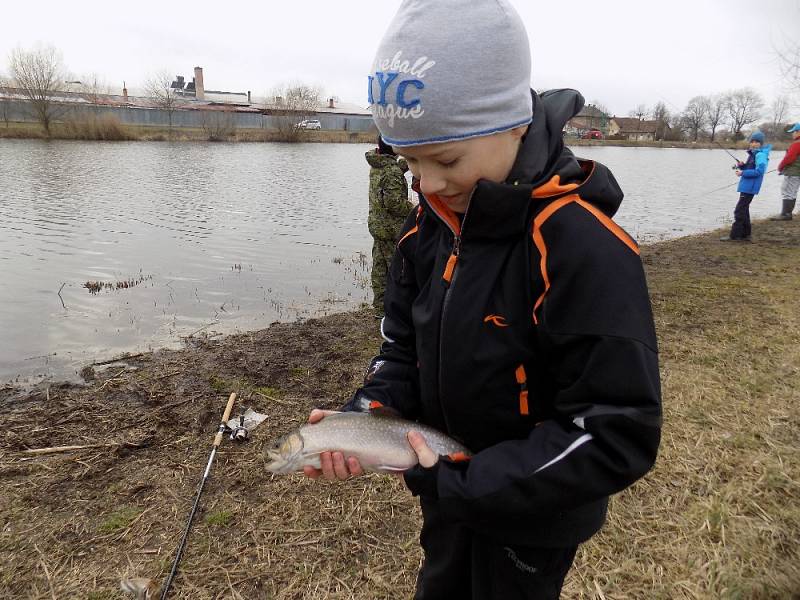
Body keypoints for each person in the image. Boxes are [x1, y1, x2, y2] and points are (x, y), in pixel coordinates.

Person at [303, 1, 662, 598]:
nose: (428, 183)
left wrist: (464, 478)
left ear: (514, 123)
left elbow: (615, 430)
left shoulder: (582, 246)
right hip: (445, 497)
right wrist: (367, 414)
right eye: (409, 161)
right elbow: (401, 353)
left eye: (445, 158)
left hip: (534, 519)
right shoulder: (425, 233)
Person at [366, 136, 413, 317]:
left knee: (379, 268)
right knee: (397, 270)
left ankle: (379, 308)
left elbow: (393, 171)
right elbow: (394, 204)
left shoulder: (377, 164)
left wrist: (409, 161)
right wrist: (415, 208)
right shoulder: (391, 171)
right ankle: (397, 310)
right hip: (392, 229)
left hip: (377, 226)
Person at [720, 131, 771, 241]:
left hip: (750, 187)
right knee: (744, 209)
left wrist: (742, 173)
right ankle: (746, 234)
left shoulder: (760, 155)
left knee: (739, 210)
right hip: (747, 186)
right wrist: (743, 166)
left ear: (761, 143)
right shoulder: (753, 154)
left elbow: (759, 172)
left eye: (756, 142)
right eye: (752, 141)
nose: (753, 144)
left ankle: (735, 235)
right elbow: (751, 168)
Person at [769, 123, 800, 221]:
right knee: (792, 192)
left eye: (794, 132)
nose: (792, 134)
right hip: (797, 172)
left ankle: (785, 214)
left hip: (792, 172)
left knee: (786, 191)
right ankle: (788, 213)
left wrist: (780, 167)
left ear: (798, 132)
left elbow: (789, 158)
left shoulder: (797, 144)